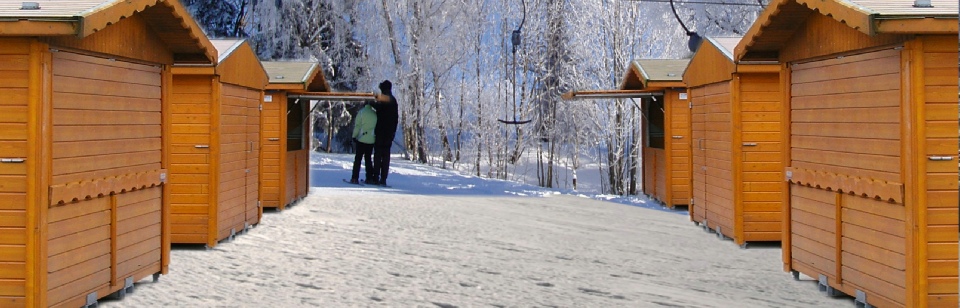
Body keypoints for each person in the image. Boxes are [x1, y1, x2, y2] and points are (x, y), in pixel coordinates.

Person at [369, 80, 399, 186]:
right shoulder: (393, 100)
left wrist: (370, 101)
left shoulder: (385, 98)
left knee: (378, 154)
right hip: (389, 133)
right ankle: (383, 179)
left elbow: (377, 106)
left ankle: (376, 177)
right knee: (386, 156)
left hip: (381, 131)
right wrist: (393, 132)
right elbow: (396, 118)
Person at [349, 103, 377, 184]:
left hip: (361, 139)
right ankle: (369, 178)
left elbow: (357, 126)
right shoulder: (374, 113)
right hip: (371, 140)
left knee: (358, 159)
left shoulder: (361, 112)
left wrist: (354, 136)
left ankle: (354, 177)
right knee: (368, 159)